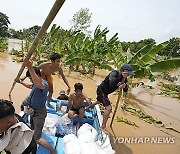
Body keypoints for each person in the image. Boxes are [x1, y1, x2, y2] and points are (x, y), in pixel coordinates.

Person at [17, 58, 56, 154]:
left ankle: (53, 151)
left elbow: (37, 83)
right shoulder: (35, 84)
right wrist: (21, 82)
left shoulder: (44, 84)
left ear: (38, 76)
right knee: (32, 129)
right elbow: (30, 86)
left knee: (37, 139)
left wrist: (30, 67)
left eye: (31, 78)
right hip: (33, 112)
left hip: (40, 114)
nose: (31, 80)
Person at [86, 64, 134, 131]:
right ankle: (103, 127)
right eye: (127, 74)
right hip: (101, 90)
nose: (127, 75)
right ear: (122, 71)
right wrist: (119, 83)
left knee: (98, 101)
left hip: (106, 93)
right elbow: (112, 83)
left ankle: (87, 108)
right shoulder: (114, 74)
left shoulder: (124, 79)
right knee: (108, 108)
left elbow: (125, 90)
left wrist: (124, 86)